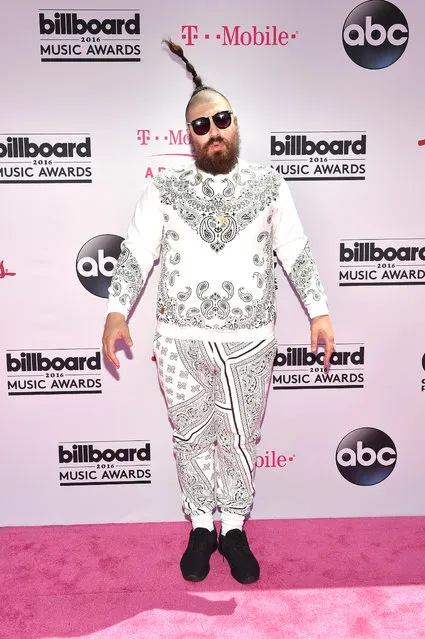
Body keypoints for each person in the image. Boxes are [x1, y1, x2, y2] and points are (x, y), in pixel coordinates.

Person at [103, 40, 335, 585]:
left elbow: (296, 250)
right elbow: (137, 252)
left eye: (221, 120)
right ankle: (200, 527)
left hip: (251, 341)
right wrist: (117, 312)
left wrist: (319, 311)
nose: (213, 132)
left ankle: (233, 528)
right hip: (179, 341)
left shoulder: (269, 184)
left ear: (237, 123)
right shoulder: (163, 188)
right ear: (188, 136)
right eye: (200, 126)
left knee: (238, 437)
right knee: (189, 436)